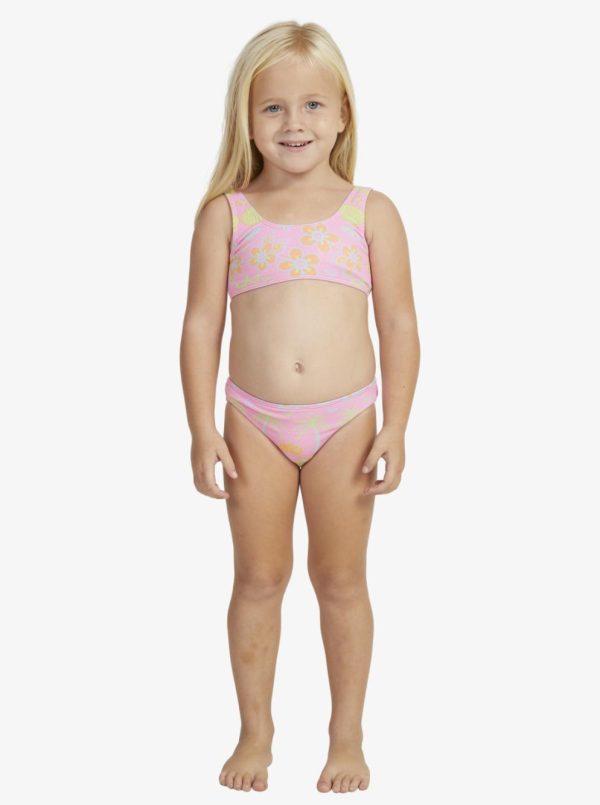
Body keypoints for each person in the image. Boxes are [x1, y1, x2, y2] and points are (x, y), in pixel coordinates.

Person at [180, 20, 420, 794]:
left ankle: (346, 736)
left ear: (343, 113)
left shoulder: (371, 212)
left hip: (346, 421)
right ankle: (255, 731)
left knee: (341, 580)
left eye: (313, 104)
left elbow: (400, 324)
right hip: (253, 421)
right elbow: (200, 326)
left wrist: (396, 423)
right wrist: (201, 430)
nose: (295, 123)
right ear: (246, 119)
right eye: (273, 107)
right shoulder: (227, 214)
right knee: (258, 578)